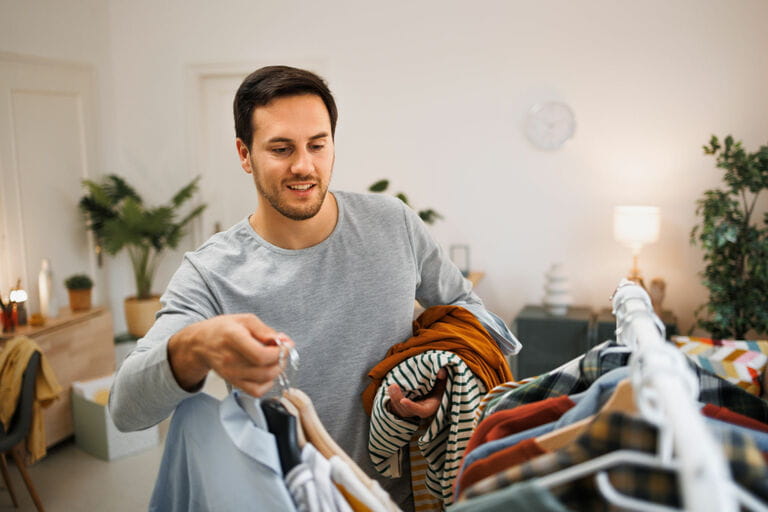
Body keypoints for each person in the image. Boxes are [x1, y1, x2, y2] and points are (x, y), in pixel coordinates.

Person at [109, 65, 519, 511]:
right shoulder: (210, 272)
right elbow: (126, 410)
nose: (303, 165)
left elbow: (471, 313)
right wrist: (193, 348)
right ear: (245, 155)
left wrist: (449, 382)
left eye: (317, 145)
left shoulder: (393, 223)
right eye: (281, 148)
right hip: (296, 499)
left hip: (409, 498)